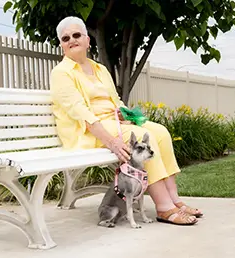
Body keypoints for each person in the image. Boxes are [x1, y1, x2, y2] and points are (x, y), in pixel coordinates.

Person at [50, 16, 203, 226]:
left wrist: (125, 114)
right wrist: (112, 142)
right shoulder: (61, 73)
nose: (72, 40)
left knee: (160, 132)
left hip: (113, 123)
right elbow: (80, 113)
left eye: (77, 35)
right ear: (62, 45)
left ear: (87, 40)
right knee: (141, 138)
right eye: (66, 38)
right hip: (87, 131)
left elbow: (116, 100)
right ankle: (164, 207)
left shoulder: (100, 69)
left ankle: (175, 200)